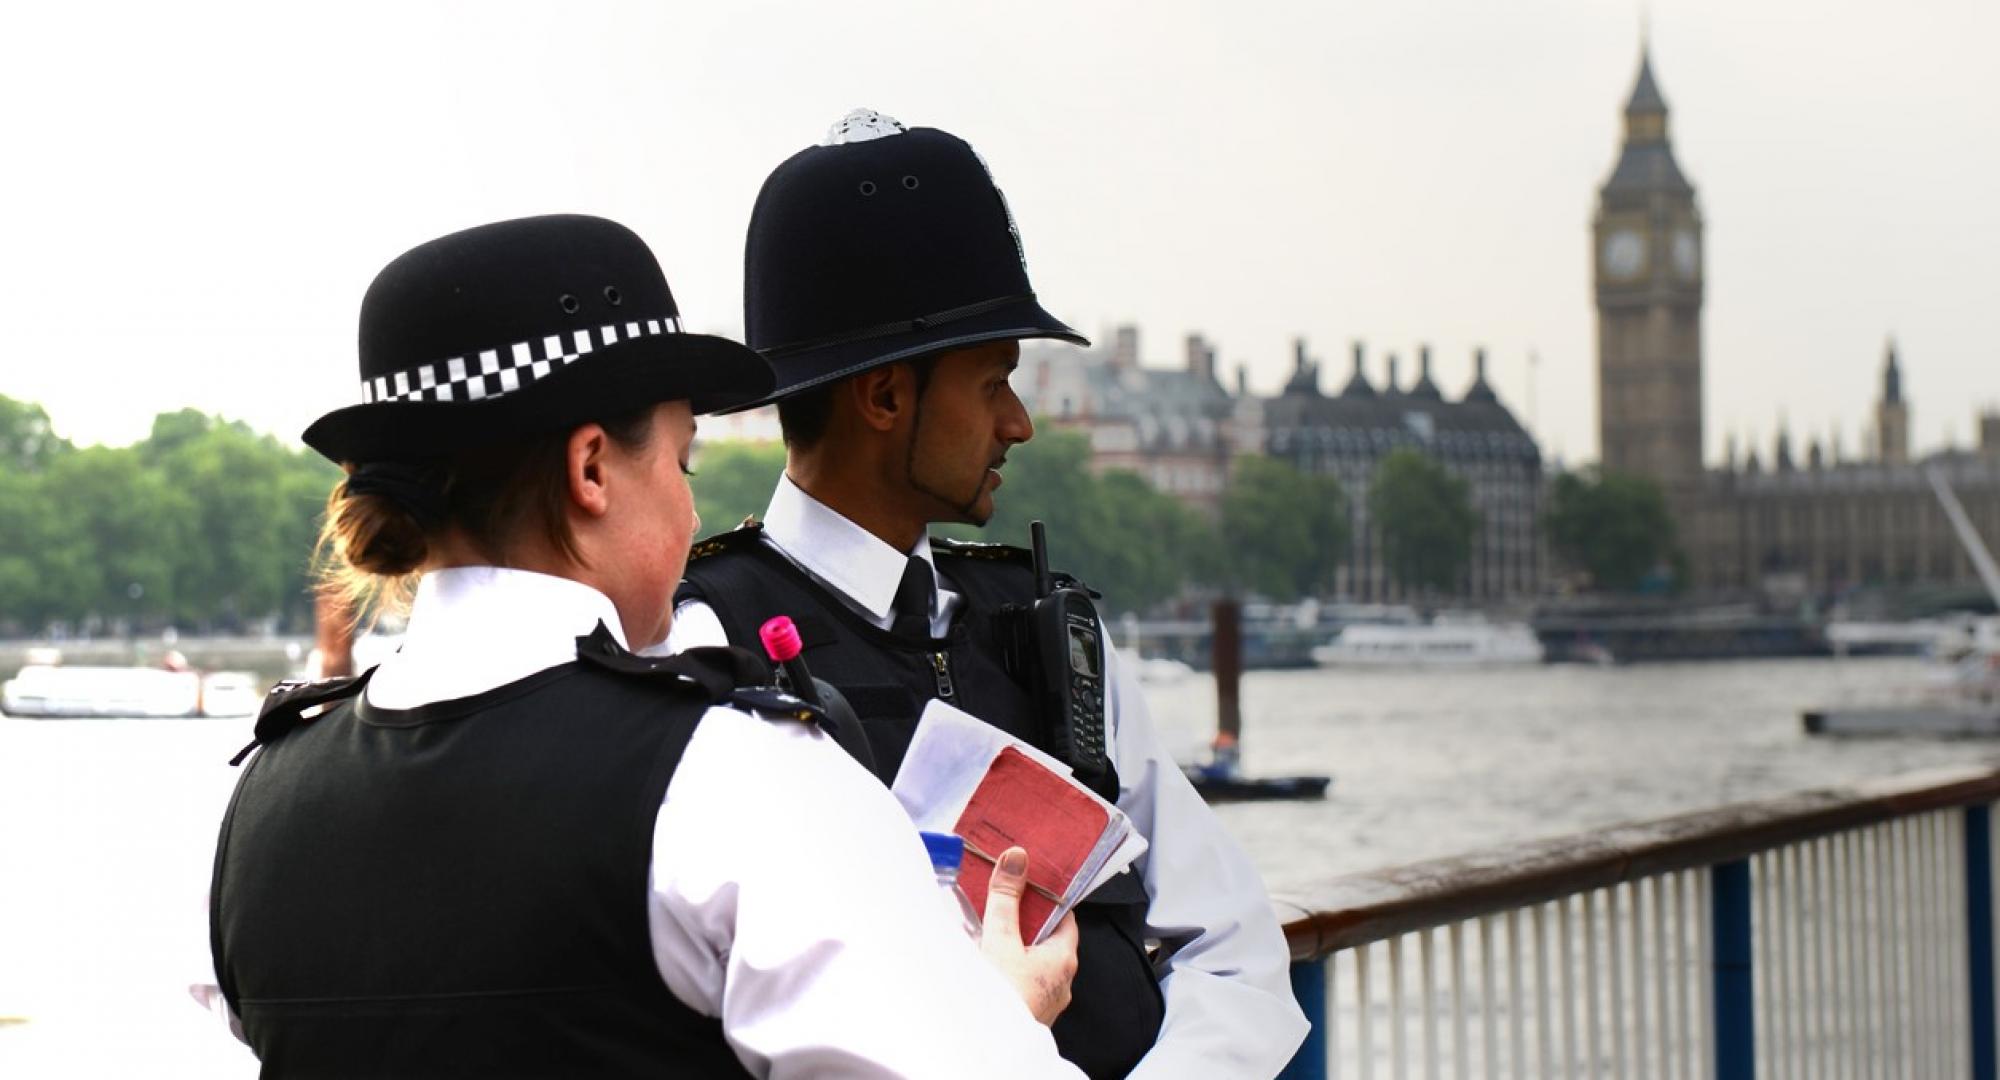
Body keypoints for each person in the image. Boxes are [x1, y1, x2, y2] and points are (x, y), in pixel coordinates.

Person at [196, 213, 1087, 1078]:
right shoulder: (739, 777)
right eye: (680, 462)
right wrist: (1000, 1017)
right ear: (591, 470)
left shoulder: (253, 809)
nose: (692, 510)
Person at [669, 113, 1310, 1078]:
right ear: (885, 398)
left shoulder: (1048, 628)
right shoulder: (706, 647)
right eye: (995, 380)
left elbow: (1234, 942)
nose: (1020, 422)